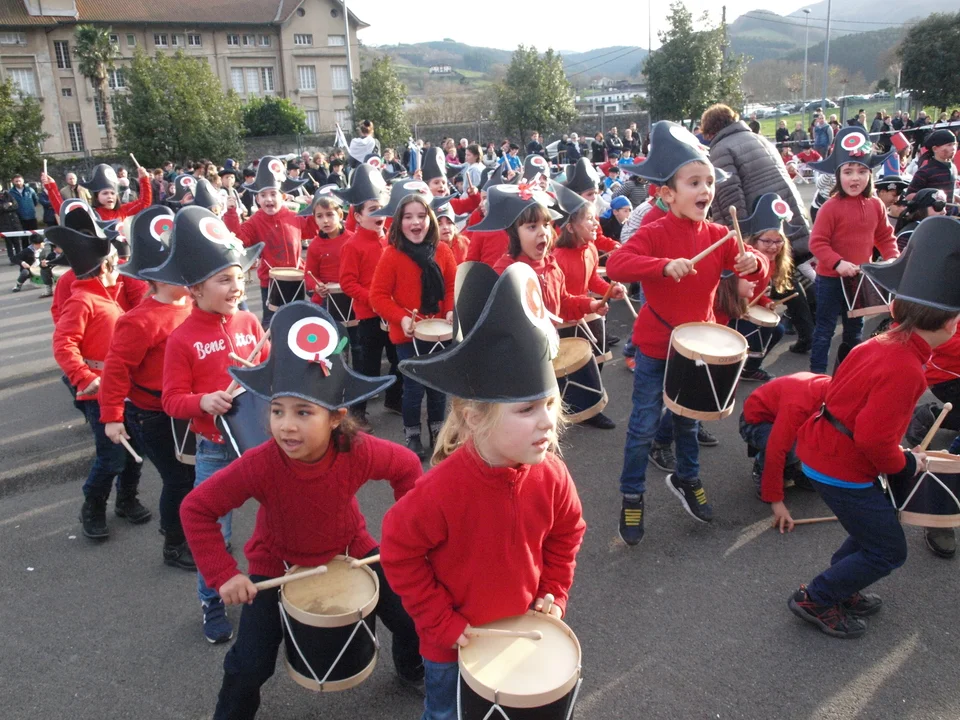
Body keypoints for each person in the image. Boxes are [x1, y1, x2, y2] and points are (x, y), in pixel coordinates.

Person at [180, 301, 424, 719]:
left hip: (350, 547)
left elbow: (407, 468)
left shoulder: (357, 450)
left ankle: (411, 668)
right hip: (275, 561)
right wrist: (224, 574)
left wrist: (406, 537)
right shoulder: (261, 464)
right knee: (249, 664)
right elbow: (196, 508)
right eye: (277, 411)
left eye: (303, 412)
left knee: (408, 617)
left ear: (336, 418)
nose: (286, 425)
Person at [380, 261, 586, 720]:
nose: (547, 421)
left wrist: (554, 589)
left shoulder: (552, 475)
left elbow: (568, 531)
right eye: (527, 409)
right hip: (453, 645)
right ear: (475, 418)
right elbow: (397, 549)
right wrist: (441, 622)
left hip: (520, 632)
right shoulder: (440, 491)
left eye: (549, 404)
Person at [789, 217, 960, 638]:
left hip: (825, 450)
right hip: (841, 465)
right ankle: (817, 597)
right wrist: (906, 463)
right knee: (888, 549)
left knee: (874, 529)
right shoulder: (907, 369)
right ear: (948, 325)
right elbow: (872, 438)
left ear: (897, 309)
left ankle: (842, 585)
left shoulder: (881, 342)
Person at [605, 121, 767, 546]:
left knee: (689, 424)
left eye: (709, 182)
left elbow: (754, 269)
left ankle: (687, 477)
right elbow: (617, 264)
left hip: (698, 348)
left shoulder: (719, 235)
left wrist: (754, 264)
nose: (705, 189)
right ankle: (632, 494)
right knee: (642, 426)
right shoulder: (654, 232)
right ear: (668, 193)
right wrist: (661, 266)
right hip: (656, 347)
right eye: (694, 182)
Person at [152, 207, 267, 644]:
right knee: (214, 533)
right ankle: (212, 600)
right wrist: (203, 401)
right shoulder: (181, 338)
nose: (236, 287)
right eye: (224, 280)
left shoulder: (250, 323)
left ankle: (285, 588)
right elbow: (170, 401)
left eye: (239, 278)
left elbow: (269, 376)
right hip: (215, 449)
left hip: (260, 444)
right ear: (196, 288)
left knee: (284, 516)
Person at [98, 207, 196, 569]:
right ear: (158, 277)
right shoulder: (138, 321)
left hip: (186, 407)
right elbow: (116, 370)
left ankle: (193, 533)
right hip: (152, 414)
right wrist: (112, 417)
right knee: (178, 479)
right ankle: (174, 544)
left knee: (194, 476)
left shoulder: (193, 306)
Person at [48, 208, 147, 541]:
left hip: (124, 387)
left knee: (135, 450)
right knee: (111, 456)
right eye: (115, 264)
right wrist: (84, 377)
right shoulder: (82, 299)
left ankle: (127, 499)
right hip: (98, 391)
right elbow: (63, 343)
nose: (119, 268)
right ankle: (92, 507)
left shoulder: (105, 294)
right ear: (104, 267)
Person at [370, 189, 457, 458]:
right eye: (408, 217)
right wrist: (403, 318)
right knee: (413, 389)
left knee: (438, 388)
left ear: (430, 219)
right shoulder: (391, 255)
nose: (416, 222)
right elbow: (377, 296)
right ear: (399, 222)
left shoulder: (443, 251)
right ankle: (413, 435)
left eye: (421, 216)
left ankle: (438, 431)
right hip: (407, 336)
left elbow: (452, 286)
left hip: (439, 333)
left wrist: (451, 310)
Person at [805, 127, 900, 374]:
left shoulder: (876, 204)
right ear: (838, 175)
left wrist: (892, 258)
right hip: (830, 279)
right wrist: (838, 263)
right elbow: (817, 243)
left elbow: (884, 236)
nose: (855, 178)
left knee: (854, 331)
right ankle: (815, 377)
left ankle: (848, 374)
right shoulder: (830, 207)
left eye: (861, 171)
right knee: (824, 330)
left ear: (870, 174)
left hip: (859, 279)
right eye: (848, 172)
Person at [335, 166, 403, 427]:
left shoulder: (392, 239)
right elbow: (347, 283)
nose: (380, 214)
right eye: (373, 210)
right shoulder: (352, 245)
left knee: (398, 361)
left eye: (382, 208)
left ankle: (393, 399)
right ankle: (357, 413)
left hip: (392, 314)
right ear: (358, 216)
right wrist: (374, 299)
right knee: (368, 367)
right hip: (369, 316)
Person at [700, 104, 811, 263]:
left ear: (710, 131)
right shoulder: (761, 139)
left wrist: (738, 242)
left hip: (761, 232)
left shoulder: (720, 150)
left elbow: (729, 200)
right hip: (790, 219)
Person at [223, 156, 313, 329]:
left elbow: (311, 229)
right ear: (257, 199)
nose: (268, 199)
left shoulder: (293, 216)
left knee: (297, 320)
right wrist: (231, 213)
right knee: (271, 323)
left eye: (273, 194)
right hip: (270, 281)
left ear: (283, 196)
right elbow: (240, 239)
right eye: (263, 195)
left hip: (296, 277)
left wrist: (313, 209)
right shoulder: (255, 221)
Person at [740, 372, 830, 530]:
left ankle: (789, 467)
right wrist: (776, 501)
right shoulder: (799, 404)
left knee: (815, 436)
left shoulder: (830, 390)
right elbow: (777, 448)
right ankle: (762, 468)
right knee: (789, 443)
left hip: (781, 414)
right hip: (756, 422)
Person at [737, 193, 801, 375]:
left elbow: (759, 293)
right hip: (733, 314)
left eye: (778, 241)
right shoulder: (743, 260)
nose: (773, 246)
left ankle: (750, 368)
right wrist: (740, 307)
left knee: (777, 330)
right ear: (754, 241)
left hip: (749, 310)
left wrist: (766, 303)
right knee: (763, 330)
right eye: (767, 241)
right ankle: (737, 367)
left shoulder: (773, 262)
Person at [44, 164, 152, 223]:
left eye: (112, 193)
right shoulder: (90, 214)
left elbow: (144, 202)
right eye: (105, 193)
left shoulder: (122, 210)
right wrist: (51, 187)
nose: (110, 196)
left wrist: (144, 179)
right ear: (97, 196)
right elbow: (63, 210)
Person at [906, 129, 957, 201]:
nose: (953, 148)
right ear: (935, 149)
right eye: (949, 145)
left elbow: (949, 193)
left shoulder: (953, 167)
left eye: (954, 144)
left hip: (949, 208)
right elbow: (908, 196)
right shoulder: (925, 172)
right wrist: (931, 197)